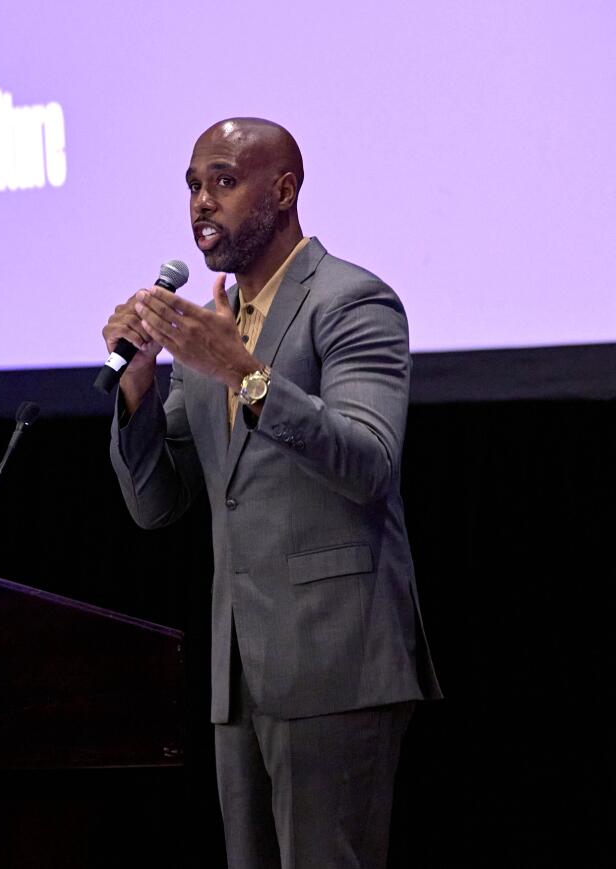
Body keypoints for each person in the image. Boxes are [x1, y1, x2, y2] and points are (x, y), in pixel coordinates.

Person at [104, 117, 441, 869]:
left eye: (223, 180)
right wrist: (136, 390)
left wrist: (244, 373)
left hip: (335, 663)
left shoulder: (353, 301)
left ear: (283, 190)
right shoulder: (209, 332)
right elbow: (158, 503)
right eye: (193, 185)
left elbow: (369, 460)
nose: (201, 203)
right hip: (241, 671)